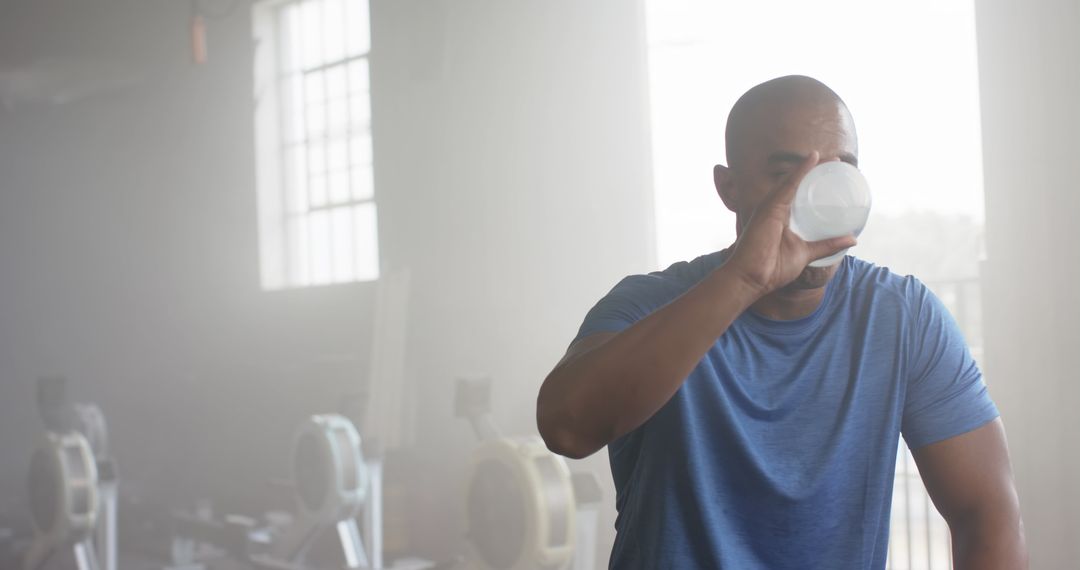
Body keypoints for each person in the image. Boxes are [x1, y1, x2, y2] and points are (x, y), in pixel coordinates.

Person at [536, 75, 1027, 569]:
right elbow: (567, 430)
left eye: (839, 174)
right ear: (728, 188)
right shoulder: (648, 305)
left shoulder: (901, 317)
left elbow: (985, 513)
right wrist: (746, 278)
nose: (818, 199)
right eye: (786, 175)